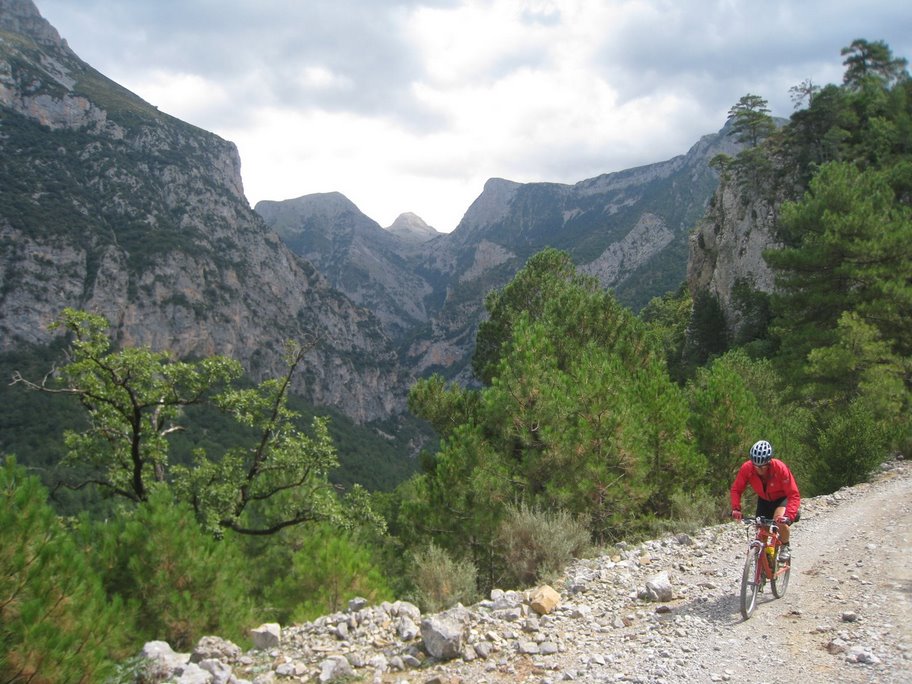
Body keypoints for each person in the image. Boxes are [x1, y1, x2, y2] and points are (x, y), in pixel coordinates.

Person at [730, 439, 800, 561]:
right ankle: (762, 567)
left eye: (763, 466)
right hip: (764, 500)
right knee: (761, 533)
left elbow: (793, 494)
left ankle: (785, 546)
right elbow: (736, 489)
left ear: (769, 461)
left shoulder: (780, 468)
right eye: (756, 466)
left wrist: (789, 515)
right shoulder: (747, 468)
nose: (760, 470)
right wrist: (736, 508)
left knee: (779, 521)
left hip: (781, 499)